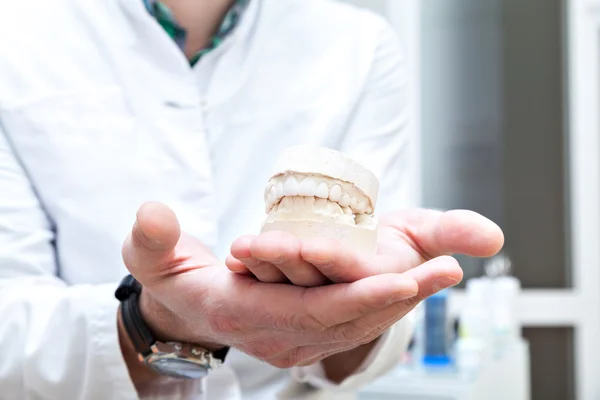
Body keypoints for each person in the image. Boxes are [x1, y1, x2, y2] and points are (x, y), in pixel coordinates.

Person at [0, 0, 504, 399]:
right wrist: (155, 322)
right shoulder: (16, 36)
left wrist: (364, 306)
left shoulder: (359, 46)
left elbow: (366, 342)